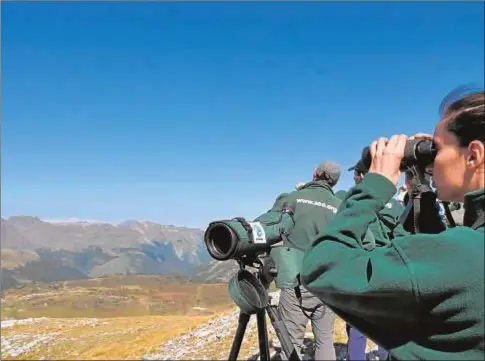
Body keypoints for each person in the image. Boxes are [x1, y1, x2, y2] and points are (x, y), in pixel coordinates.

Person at [300, 88, 484, 360]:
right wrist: (419, 188)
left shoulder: (465, 255)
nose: (432, 161)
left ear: (473, 155)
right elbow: (429, 272)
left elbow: (320, 269)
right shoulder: (467, 249)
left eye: (438, 148)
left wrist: (375, 185)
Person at [267, 161, 344, 360]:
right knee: (325, 340)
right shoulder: (340, 207)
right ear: (334, 183)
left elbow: (271, 228)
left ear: (314, 173)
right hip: (328, 284)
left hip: (296, 282)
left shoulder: (294, 198)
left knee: (290, 341)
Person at [336, 159, 404, 361]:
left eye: (356, 173)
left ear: (363, 176)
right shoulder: (394, 204)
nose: (354, 177)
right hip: (387, 265)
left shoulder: (348, 197)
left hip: (359, 264)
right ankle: (385, 356)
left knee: (357, 320)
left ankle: (356, 357)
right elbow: (401, 233)